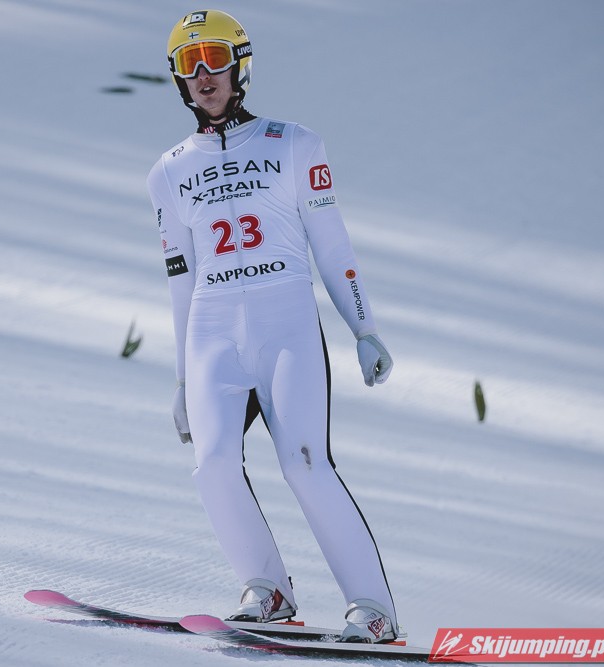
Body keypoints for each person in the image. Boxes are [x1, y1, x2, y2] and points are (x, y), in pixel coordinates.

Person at [146, 9, 400, 643]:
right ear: (178, 80)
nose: (204, 74)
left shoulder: (294, 143)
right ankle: (268, 588)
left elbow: (331, 244)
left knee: (304, 462)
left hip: (285, 319)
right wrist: (181, 378)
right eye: (188, 64)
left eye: (215, 58)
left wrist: (363, 328)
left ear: (241, 66)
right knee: (211, 464)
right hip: (211, 328)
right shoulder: (167, 171)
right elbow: (180, 279)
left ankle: (373, 608)